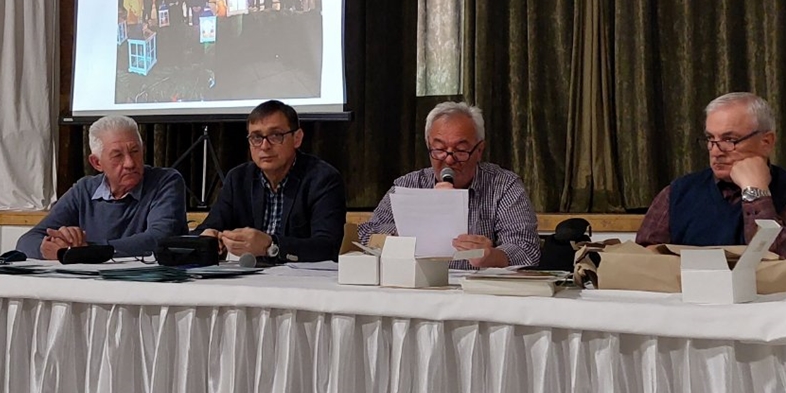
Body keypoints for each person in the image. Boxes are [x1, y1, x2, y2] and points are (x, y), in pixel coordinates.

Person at [635, 92, 786, 258]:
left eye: (729, 140)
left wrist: (755, 191)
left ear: (766, 142)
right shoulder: (678, 192)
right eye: (710, 139)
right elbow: (643, 259)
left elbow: (783, 260)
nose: (715, 151)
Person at [358, 101, 541, 269]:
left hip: (477, 288)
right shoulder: (409, 185)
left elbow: (526, 248)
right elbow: (366, 235)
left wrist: (492, 257)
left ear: (479, 150)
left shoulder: (504, 186)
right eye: (439, 149)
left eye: (460, 150)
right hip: (418, 286)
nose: (449, 159)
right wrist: (410, 228)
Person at [16, 115, 188, 259]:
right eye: (117, 155)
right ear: (97, 163)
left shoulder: (165, 181)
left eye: (135, 151)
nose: (130, 163)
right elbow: (26, 241)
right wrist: (48, 248)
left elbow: (159, 239)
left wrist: (86, 251)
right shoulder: (84, 190)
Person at [195, 100, 346, 263]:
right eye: (256, 137)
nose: (265, 146)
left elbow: (328, 247)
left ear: (297, 138)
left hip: (304, 277)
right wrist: (207, 238)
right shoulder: (238, 179)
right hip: (249, 276)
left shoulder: (323, 179)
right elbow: (204, 230)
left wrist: (271, 245)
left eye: (275, 136)